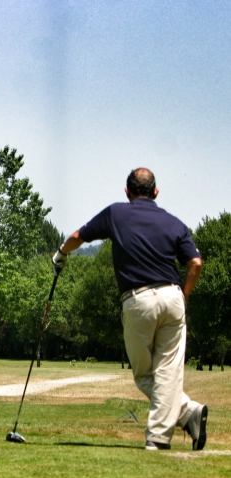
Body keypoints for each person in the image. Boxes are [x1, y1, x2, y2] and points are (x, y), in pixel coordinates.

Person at [52, 168, 206, 451]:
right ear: (156, 192)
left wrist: (61, 254)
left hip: (138, 301)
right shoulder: (175, 223)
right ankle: (188, 413)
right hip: (172, 297)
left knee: (145, 375)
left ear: (128, 192)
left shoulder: (116, 213)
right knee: (168, 373)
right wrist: (183, 297)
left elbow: (78, 236)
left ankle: (159, 436)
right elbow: (195, 263)